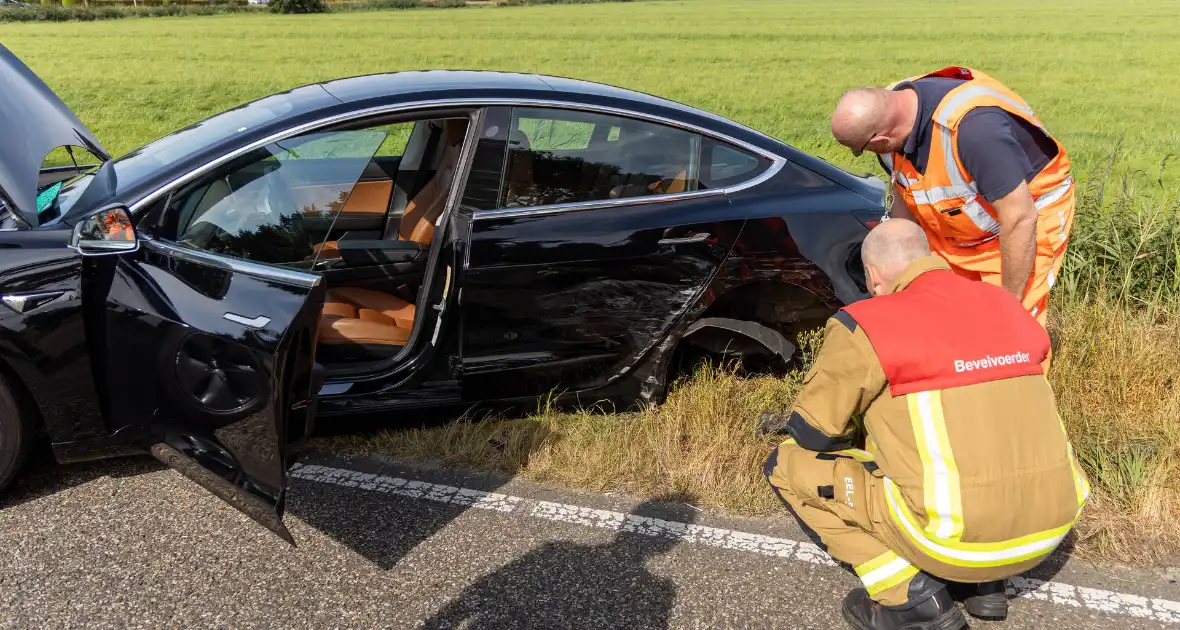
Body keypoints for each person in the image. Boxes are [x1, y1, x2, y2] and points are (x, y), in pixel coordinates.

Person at [760, 219, 1089, 630]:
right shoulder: (1006, 304)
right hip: (1052, 528)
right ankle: (986, 587)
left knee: (785, 465)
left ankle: (908, 597)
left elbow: (814, 432)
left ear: (873, 276)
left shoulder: (868, 322)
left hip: (951, 540)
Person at [830, 67, 1073, 333]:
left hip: (1020, 221)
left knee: (1007, 328)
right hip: (956, 221)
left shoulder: (975, 131)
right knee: (947, 317)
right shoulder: (891, 117)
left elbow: (1020, 218)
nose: (864, 154)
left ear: (881, 138)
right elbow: (904, 198)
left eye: (861, 149)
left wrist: (1009, 302)